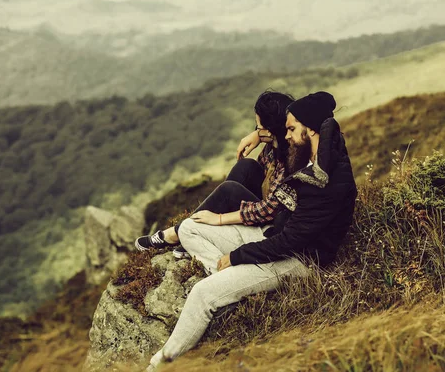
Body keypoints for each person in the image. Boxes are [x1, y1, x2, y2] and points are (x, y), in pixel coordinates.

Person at [146, 91, 357, 370]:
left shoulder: (324, 181)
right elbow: (281, 221)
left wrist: (237, 256)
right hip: (273, 236)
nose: (288, 134)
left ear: (312, 130)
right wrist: (259, 135)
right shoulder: (312, 151)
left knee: (202, 294)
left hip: (298, 260)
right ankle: (226, 283)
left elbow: (290, 243)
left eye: (291, 129)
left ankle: (159, 363)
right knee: (190, 228)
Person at [135, 90, 295, 259]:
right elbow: (262, 172)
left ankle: (178, 233)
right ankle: (190, 230)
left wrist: (220, 218)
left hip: (276, 222)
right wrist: (258, 135)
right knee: (246, 166)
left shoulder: (292, 158)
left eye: (260, 127)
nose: (257, 131)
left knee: (229, 190)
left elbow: (270, 210)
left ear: (271, 130)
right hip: (267, 200)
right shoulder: (277, 142)